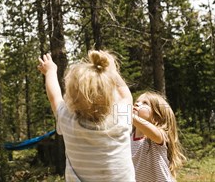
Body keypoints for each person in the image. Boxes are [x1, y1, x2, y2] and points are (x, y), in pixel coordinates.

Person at [37, 51, 136, 181]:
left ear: (72, 97)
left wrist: (50, 72)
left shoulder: (67, 120)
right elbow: (126, 95)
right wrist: (112, 72)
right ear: (110, 95)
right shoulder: (121, 120)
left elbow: (54, 97)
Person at [131, 91, 186, 182]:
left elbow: (155, 134)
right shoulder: (128, 139)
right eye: (137, 101)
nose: (137, 103)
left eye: (145, 103)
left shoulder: (158, 136)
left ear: (157, 117)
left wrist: (129, 115)